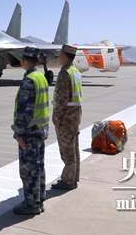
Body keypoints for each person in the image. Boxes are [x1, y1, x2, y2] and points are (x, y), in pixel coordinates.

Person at [11, 46, 50, 215]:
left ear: (24, 60)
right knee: (39, 167)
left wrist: (18, 133)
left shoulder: (28, 80)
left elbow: (24, 111)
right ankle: (39, 200)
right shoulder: (41, 77)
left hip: (29, 132)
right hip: (40, 130)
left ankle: (31, 205)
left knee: (28, 171)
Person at [51, 44, 82, 190]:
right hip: (75, 115)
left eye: (60, 54)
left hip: (66, 117)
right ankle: (73, 177)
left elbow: (62, 97)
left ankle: (68, 181)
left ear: (64, 56)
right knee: (74, 147)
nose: (59, 57)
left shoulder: (64, 73)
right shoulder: (75, 71)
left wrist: (56, 116)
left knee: (67, 150)